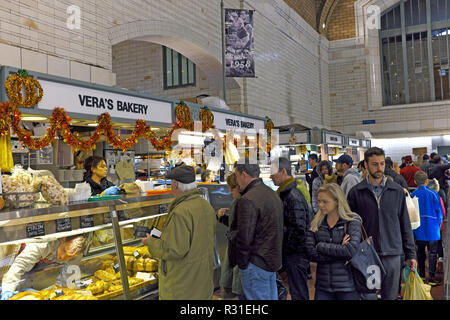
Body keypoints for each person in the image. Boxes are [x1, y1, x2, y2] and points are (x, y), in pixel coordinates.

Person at [347, 147, 417, 300]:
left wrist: (411, 253)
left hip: (392, 253)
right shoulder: (356, 192)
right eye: (374, 164)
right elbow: (351, 225)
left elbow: (405, 223)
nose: (379, 168)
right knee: (369, 296)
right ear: (365, 165)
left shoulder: (397, 191)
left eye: (381, 164)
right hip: (368, 254)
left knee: (390, 296)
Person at [142, 165, 216, 300]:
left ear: (175, 184)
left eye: (171, 184)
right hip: (201, 281)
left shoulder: (181, 211)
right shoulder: (205, 205)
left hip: (183, 286)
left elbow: (173, 249)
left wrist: (150, 243)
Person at [230, 162, 283, 300]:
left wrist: (243, 264)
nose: (236, 181)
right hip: (271, 260)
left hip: (255, 263)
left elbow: (244, 237)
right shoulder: (271, 193)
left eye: (236, 176)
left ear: (244, 175)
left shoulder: (247, 199)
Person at [305, 183, 362, 300]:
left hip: (347, 286)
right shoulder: (316, 223)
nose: (320, 205)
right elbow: (310, 253)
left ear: (337, 201)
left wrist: (320, 246)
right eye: (319, 201)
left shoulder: (352, 221)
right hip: (323, 287)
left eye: (325, 202)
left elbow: (350, 250)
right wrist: (339, 251)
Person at [270, 157, 310, 300]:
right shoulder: (286, 193)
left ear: (283, 171)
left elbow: (299, 228)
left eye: (273, 172)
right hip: (293, 253)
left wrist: (287, 250)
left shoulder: (292, 195)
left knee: (298, 292)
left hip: (295, 254)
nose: (270, 176)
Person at [1, 235, 88, 300]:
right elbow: (19, 266)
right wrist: (8, 290)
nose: (63, 257)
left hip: (40, 273)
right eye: (64, 250)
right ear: (63, 239)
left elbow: (65, 279)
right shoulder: (42, 244)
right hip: (19, 267)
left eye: (69, 256)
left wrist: (57, 295)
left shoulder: (76, 254)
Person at [411, 171, 444, 285]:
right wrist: (438, 225)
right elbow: (439, 213)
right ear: (426, 181)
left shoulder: (412, 195)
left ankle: (421, 276)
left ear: (415, 181)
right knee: (432, 253)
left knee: (420, 253)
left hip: (418, 230)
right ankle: (432, 276)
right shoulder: (434, 194)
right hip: (433, 229)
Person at [216, 173, 244, 300]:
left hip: (238, 253)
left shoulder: (240, 203)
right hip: (238, 253)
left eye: (232, 188)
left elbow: (239, 229)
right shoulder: (239, 202)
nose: (230, 191)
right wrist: (222, 218)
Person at [427, 178, 447, 272]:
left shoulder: (427, 197)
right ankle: (440, 260)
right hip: (437, 226)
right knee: (437, 246)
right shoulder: (439, 197)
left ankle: (426, 271)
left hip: (427, 227)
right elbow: (442, 212)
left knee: (428, 248)